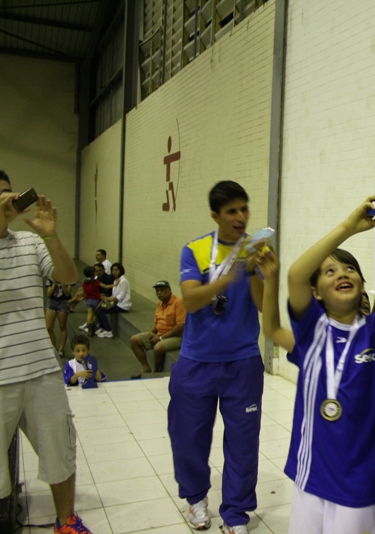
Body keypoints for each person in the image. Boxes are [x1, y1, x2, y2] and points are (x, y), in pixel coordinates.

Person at [283, 197, 375, 534]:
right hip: (311, 477)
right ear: (316, 292)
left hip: (361, 486)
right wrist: (349, 227)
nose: (342, 274)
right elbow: (296, 275)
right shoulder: (312, 328)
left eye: (349, 269)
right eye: (329, 272)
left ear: (362, 283)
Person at [168, 180, 264, 534]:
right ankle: (195, 499)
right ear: (215, 216)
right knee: (188, 438)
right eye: (232, 211)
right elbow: (192, 300)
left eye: (244, 209)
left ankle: (236, 514)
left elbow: (262, 305)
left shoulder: (255, 250)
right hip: (196, 362)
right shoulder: (194, 250)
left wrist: (258, 272)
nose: (241, 217)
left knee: (243, 442)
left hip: (243, 362)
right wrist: (229, 275)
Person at [0, 171, 92, 533]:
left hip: (41, 368)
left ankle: (66, 520)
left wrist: (51, 237)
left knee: (59, 449)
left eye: (7, 193)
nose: (6, 200)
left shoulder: (29, 242)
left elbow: (68, 277)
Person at [130, 280, 186, 378]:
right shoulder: (160, 304)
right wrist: (151, 333)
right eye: (157, 291)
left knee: (158, 348)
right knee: (134, 340)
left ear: (169, 290)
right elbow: (156, 322)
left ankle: (156, 371)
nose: (159, 293)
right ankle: (146, 368)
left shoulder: (178, 302)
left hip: (177, 337)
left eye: (162, 290)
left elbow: (180, 326)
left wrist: (161, 338)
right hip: (160, 334)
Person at [95, 262, 131, 338]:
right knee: (98, 307)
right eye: (113, 270)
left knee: (101, 310)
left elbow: (120, 297)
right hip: (116, 303)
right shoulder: (115, 281)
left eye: (116, 270)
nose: (114, 272)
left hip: (122, 305)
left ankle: (108, 331)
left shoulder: (123, 281)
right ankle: (102, 327)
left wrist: (107, 298)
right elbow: (114, 294)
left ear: (120, 271)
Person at [45, 278, 72, 358]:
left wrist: (63, 283)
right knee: (48, 327)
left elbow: (67, 294)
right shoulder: (50, 279)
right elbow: (49, 294)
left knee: (62, 326)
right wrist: (54, 284)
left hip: (63, 302)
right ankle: (54, 347)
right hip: (52, 302)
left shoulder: (69, 279)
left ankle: (61, 349)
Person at [70, 265, 101, 335]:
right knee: (94, 314)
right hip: (95, 299)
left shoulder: (86, 282)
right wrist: (113, 285)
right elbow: (105, 286)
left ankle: (89, 326)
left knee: (89, 314)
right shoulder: (96, 281)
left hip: (89, 299)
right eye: (95, 271)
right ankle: (92, 327)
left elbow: (84, 290)